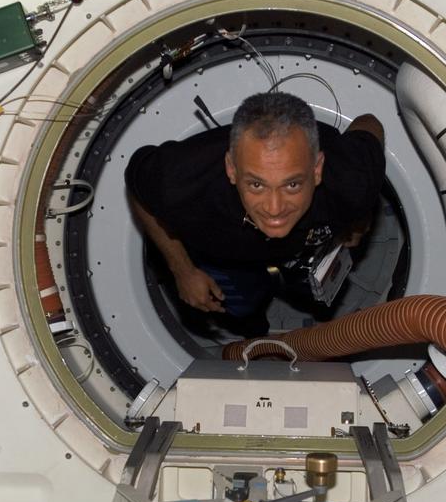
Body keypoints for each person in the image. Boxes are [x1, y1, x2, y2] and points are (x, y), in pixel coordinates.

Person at [125, 91, 385, 336]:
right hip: (228, 254)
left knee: (309, 290)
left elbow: (370, 123)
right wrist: (183, 270)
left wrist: (360, 218)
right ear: (231, 170)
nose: (274, 209)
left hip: (305, 249)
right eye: (257, 185)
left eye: (292, 184)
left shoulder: (352, 180)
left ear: (317, 171)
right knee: (241, 305)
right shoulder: (181, 180)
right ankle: (253, 328)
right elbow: (137, 187)